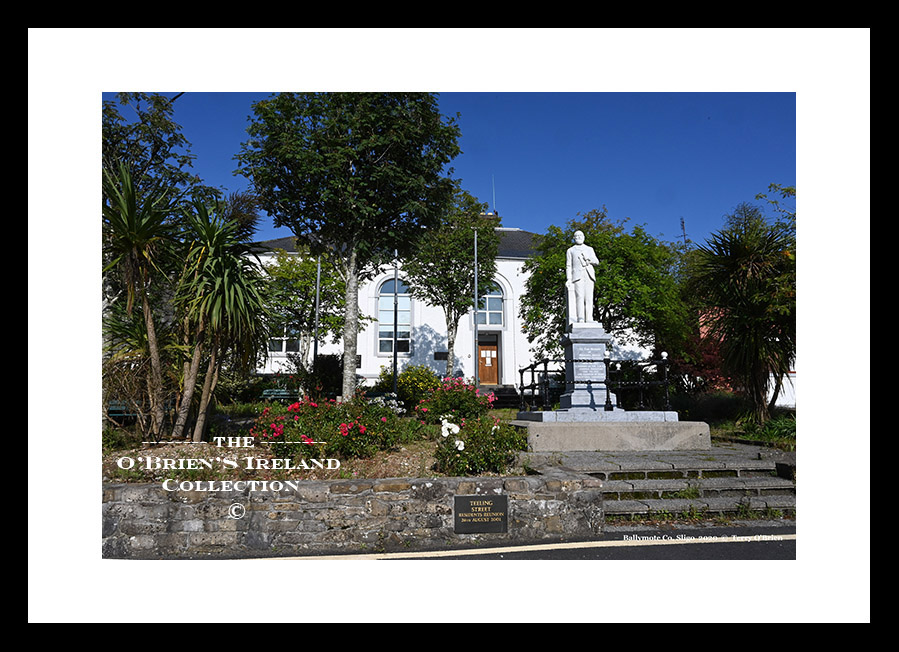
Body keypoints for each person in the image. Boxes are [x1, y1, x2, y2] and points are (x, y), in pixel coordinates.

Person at [566, 230, 599, 324]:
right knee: (579, 297)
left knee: (589, 297)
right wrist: (569, 279)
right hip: (577, 276)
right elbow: (568, 266)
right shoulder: (570, 250)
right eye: (577, 236)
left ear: (584, 237)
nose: (579, 237)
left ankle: (589, 318)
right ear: (574, 238)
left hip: (588, 274)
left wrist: (590, 259)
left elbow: (596, 261)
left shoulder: (589, 249)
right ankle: (580, 318)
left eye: (581, 235)